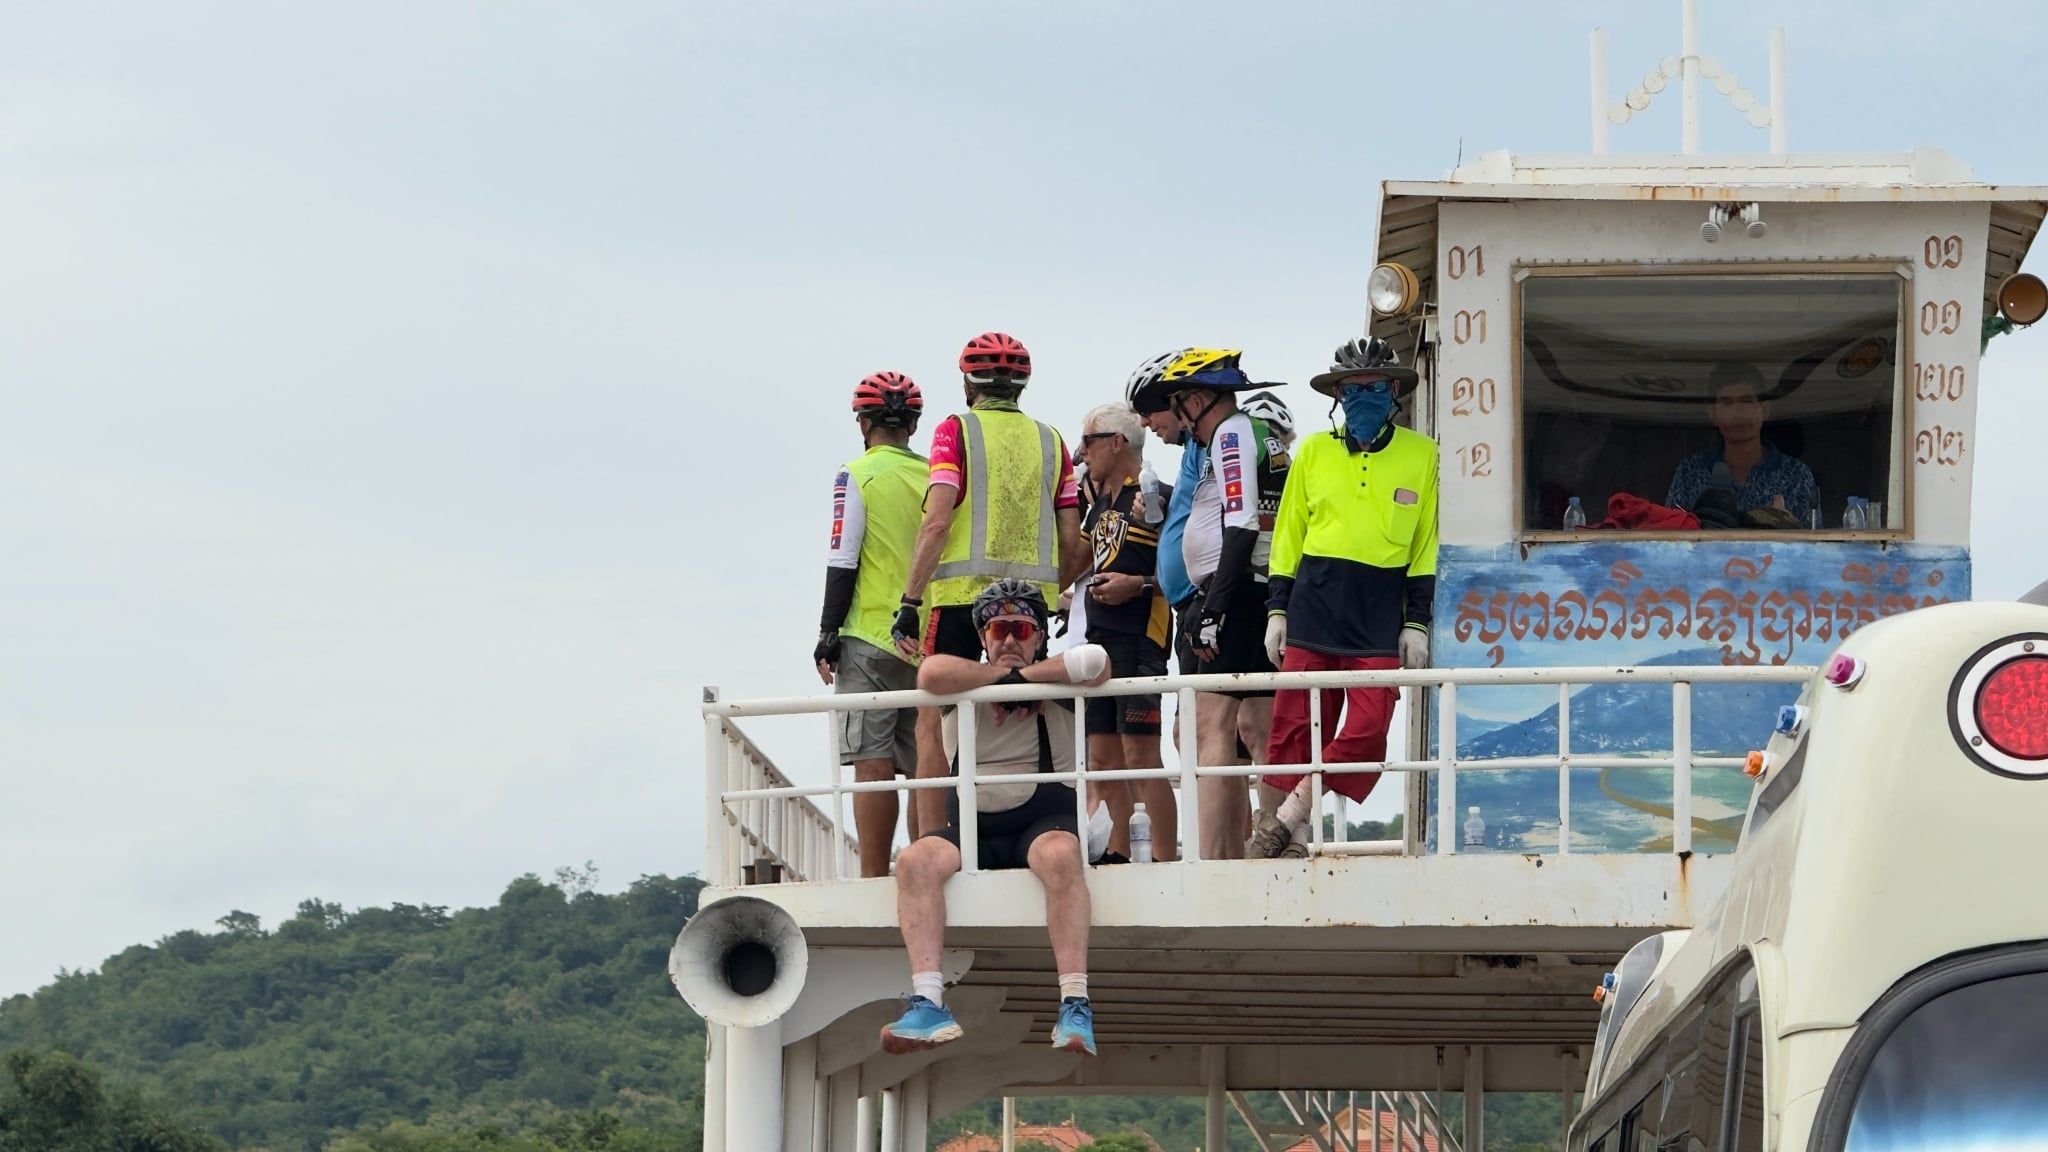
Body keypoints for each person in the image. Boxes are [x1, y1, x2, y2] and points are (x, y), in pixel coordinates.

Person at [880, 580, 1109, 1056]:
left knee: (1061, 853)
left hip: (1043, 821)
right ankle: (928, 1001)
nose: (1009, 640)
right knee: (913, 862)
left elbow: (1096, 661)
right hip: (973, 828)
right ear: (982, 636)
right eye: (998, 629)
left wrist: (1024, 683)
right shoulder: (963, 679)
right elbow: (930, 674)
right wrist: (1000, 684)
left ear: (1039, 635)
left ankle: (1074, 1002)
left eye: (1021, 628)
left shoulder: (1059, 681)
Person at [891, 333, 1090, 833]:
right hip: (1032, 609)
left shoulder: (954, 431)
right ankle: (1052, 822)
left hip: (958, 600)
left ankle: (933, 839)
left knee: (931, 718)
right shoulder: (1053, 441)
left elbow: (937, 522)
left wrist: (910, 600)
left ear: (967, 382)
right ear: (1022, 386)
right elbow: (1075, 542)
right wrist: (1049, 590)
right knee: (1039, 712)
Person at [1252, 338, 1439, 859]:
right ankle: (1283, 840)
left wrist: (1416, 622)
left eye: (1373, 388)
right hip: (1313, 603)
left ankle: (1294, 812)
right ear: (1336, 395)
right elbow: (1288, 533)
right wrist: (1277, 609)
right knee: (1291, 729)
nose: (1362, 397)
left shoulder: (1424, 455)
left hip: (1380, 612)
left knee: (1370, 726)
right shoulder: (1312, 450)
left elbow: (1425, 544)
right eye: (1351, 389)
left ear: (1394, 392)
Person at [1130, 348, 1289, 860]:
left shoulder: (1231, 433)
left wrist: (1213, 607)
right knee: (1253, 726)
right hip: (1246, 590)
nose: (1176, 419)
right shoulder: (1235, 434)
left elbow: (1239, 523)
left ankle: (1219, 859)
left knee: (1211, 728)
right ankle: (1263, 843)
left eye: (1176, 406)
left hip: (1236, 593)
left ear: (1197, 400)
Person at [815, 372, 930, 877]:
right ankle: (928, 863)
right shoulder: (935, 475)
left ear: (863, 423)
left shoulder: (856, 474)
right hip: (928, 637)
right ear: (913, 424)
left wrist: (826, 633)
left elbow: (843, 556)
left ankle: (874, 877)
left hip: (868, 636)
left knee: (872, 762)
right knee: (928, 764)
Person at [1074, 402, 1177, 861]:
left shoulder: (1162, 496)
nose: (1081, 453)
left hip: (1142, 637)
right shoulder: (1097, 505)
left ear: (1117, 443)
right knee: (1102, 760)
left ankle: (1161, 856)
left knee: (1140, 756)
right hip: (1099, 642)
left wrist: (1139, 585)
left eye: (1089, 442)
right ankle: (1117, 850)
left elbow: (1184, 575)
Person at [1664, 362, 1819, 528]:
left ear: (1765, 410)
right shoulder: (1690, 472)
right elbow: (1671, 537)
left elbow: (1812, 543)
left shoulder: (1795, 474)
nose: (1737, 413)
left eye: (1746, 401)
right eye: (1727, 403)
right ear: (1712, 413)